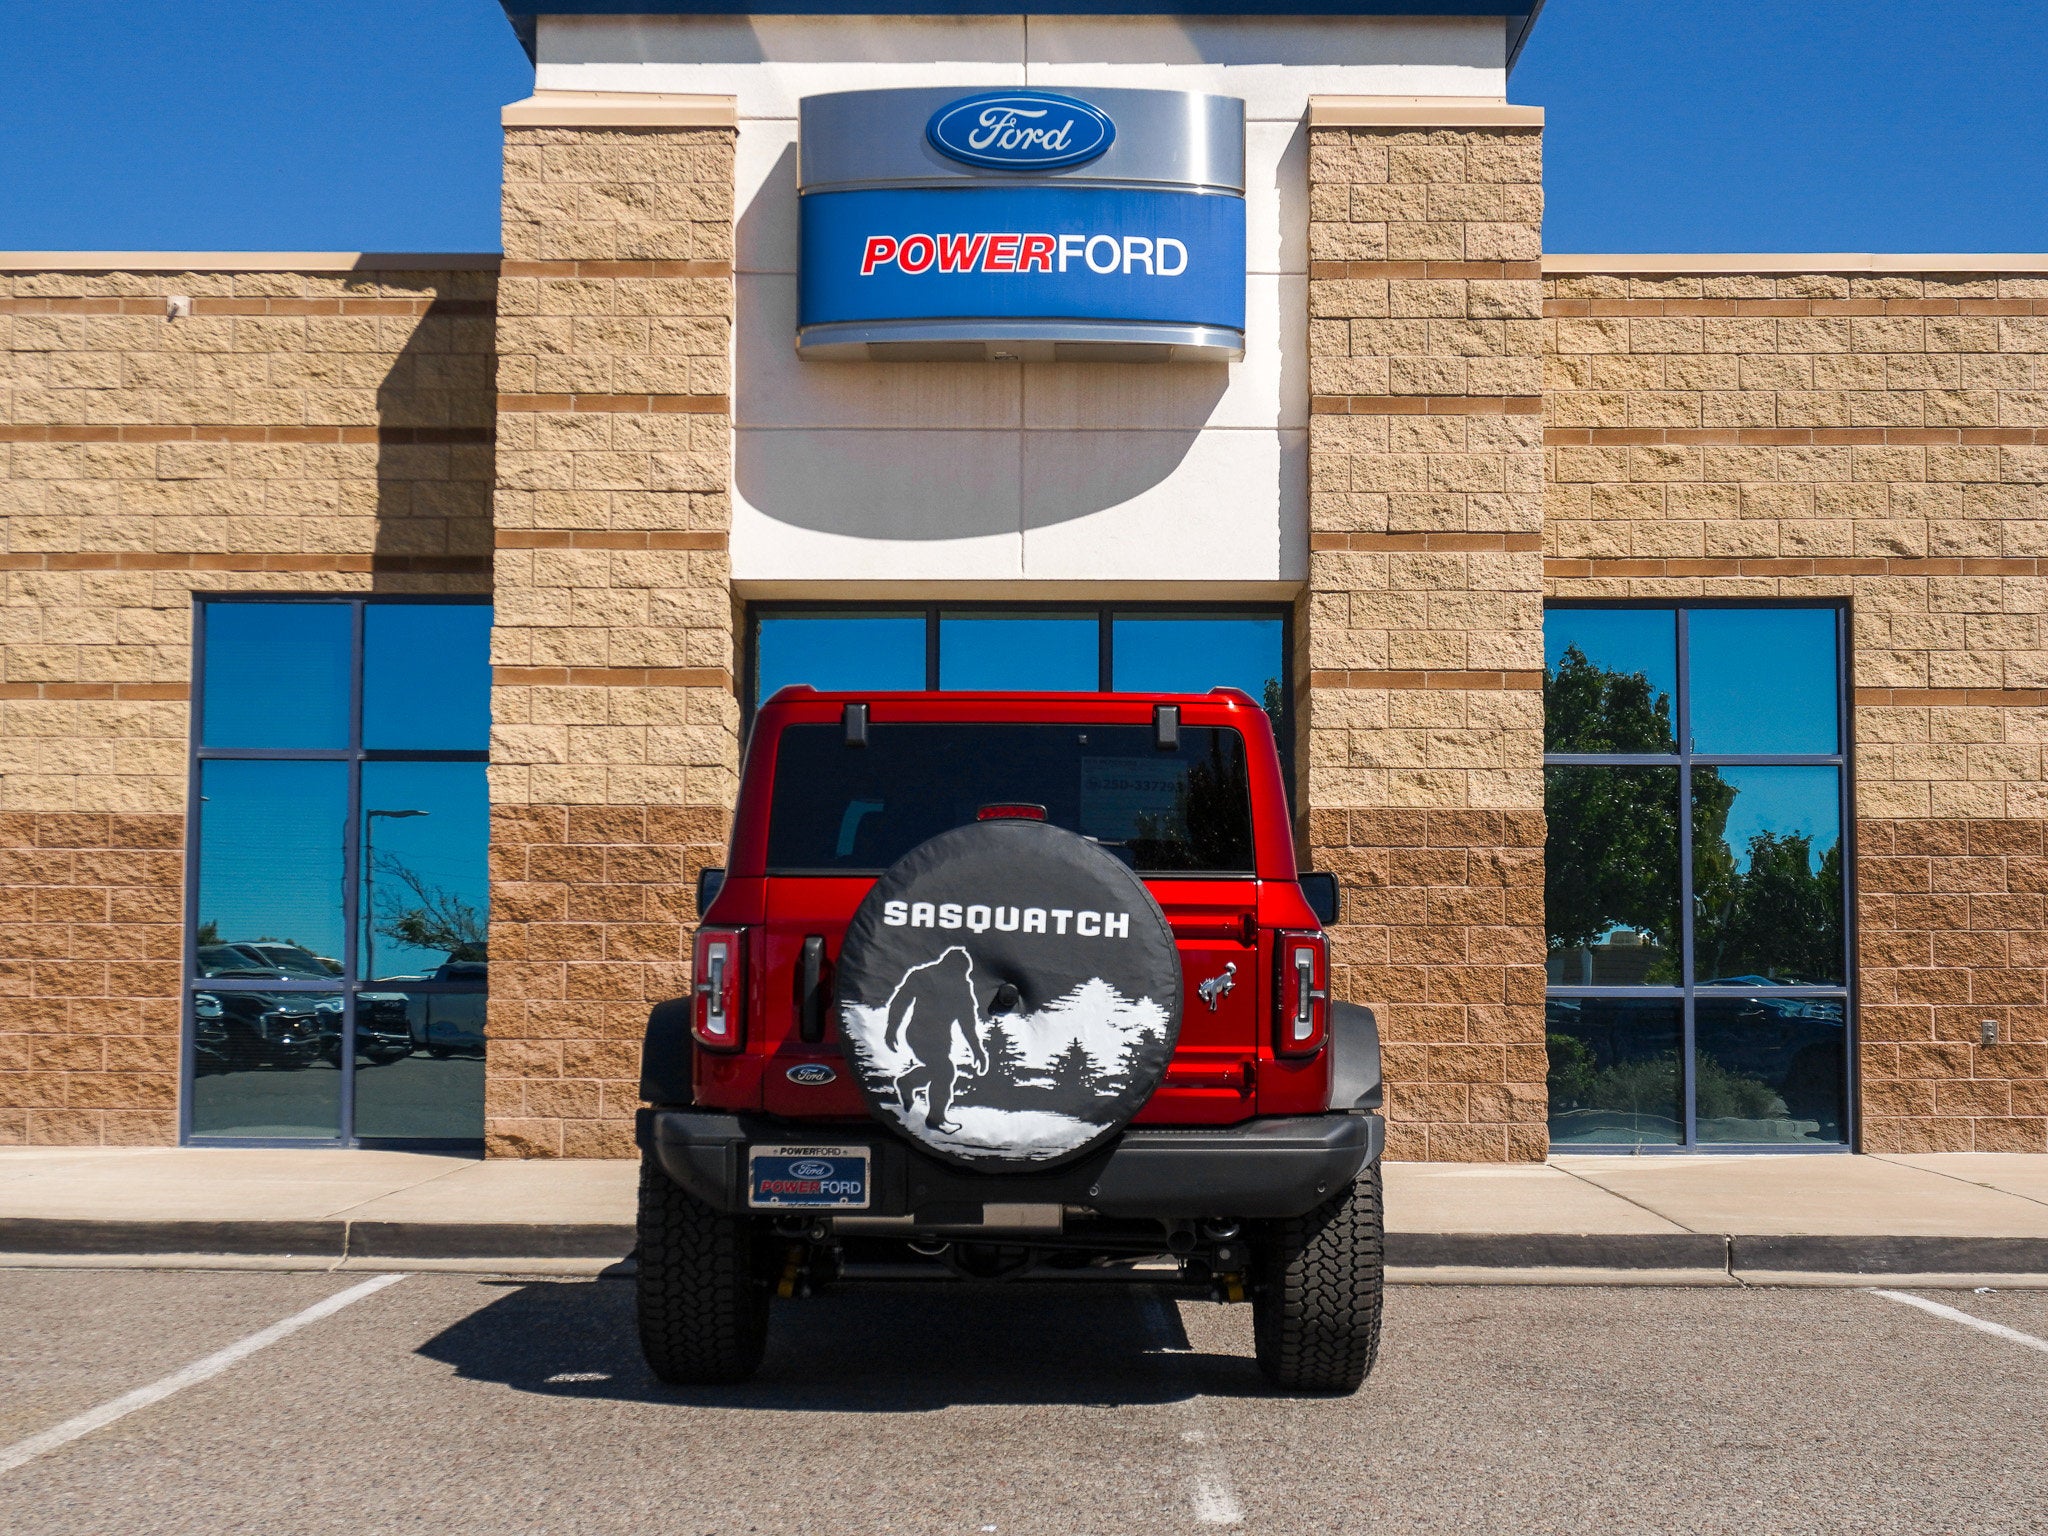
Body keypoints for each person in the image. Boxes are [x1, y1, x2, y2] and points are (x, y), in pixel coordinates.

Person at [882, 946, 989, 1133]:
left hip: (941, 1039)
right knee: (945, 1071)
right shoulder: (923, 975)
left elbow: (967, 1024)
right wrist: (891, 1029)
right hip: (918, 1033)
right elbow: (900, 1001)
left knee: (938, 1070)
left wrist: (977, 1051)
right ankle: (935, 1119)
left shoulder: (961, 987)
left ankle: (908, 1082)